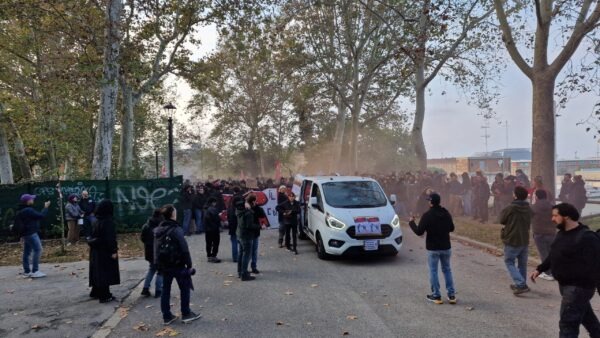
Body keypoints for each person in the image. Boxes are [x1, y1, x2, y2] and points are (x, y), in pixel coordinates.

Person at [530, 203, 600, 338]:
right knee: (587, 317)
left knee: (568, 324)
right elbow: (554, 254)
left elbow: (596, 265)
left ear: (566, 217)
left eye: (555, 216)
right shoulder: (562, 234)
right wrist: (540, 269)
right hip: (566, 285)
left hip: (578, 288)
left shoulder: (587, 237)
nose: (552, 219)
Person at [154, 204, 201, 325]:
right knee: (184, 288)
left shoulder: (159, 230)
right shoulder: (176, 229)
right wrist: (189, 264)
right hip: (177, 264)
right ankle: (186, 313)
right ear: (173, 214)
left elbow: (156, 248)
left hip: (164, 264)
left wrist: (157, 264)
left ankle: (167, 316)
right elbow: (184, 248)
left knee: (165, 290)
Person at [408, 193, 456, 305]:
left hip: (433, 248)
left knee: (433, 271)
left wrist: (411, 222)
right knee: (447, 270)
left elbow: (419, 231)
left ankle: (436, 295)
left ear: (430, 202)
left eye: (428, 200)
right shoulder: (446, 213)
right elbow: (452, 228)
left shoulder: (427, 215)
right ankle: (451, 295)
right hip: (446, 247)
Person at [498, 186, 533, 295]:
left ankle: (520, 283)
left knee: (509, 261)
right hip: (524, 239)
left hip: (512, 238)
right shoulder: (529, 208)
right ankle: (522, 283)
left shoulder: (511, 208)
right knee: (522, 263)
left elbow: (501, 220)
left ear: (515, 195)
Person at [88, 199, 120, 303]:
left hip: (96, 250)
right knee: (106, 273)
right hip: (105, 250)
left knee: (97, 271)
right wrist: (114, 251)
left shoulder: (96, 220)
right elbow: (110, 238)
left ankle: (96, 291)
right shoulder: (108, 221)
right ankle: (105, 295)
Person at [17, 194, 51, 278]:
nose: (33, 200)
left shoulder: (21, 210)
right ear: (28, 201)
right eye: (32, 199)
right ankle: (35, 271)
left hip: (25, 234)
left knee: (27, 252)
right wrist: (46, 207)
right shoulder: (29, 210)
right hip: (31, 233)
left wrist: (21, 235)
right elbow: (41, 216)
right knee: (38, 249)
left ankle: (27, 271)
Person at [531, 190, 556, 281]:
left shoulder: (534, 207)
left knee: (543, 253)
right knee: (551, 252)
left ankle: (547, 273)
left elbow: (530, 218)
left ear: (537, 197)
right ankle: (553, 271)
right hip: (551, 233)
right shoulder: (553, 206)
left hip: (539, 233)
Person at [140, 208, 164, 298]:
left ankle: (145, 288)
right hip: (159, 252)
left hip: (149, 251)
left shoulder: (146, 225)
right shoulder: (161, 226)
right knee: (161, 271)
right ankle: (158, 290)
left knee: (152, 269)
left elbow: (142, 238)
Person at [236, 194, 259, 281]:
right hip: (246, 236)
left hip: (240, 234)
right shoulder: (248, 213)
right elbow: (249, 225)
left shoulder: (239, 210)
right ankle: (244, 274)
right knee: (246, 255)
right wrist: (259, 226)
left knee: (241, 254)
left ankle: (240, 272)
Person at [227, 187, 243, 262]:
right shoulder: (241, 207)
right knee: (241, 241)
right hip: (240, 226)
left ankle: (235, 257)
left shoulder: (230, 208)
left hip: (232, 226)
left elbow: (228, 216)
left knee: (234, 241)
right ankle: (241, 256)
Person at [204, 197, 222, 263]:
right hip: (214, 229)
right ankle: (214, 256)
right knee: (215, 243)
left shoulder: (205, 209)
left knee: (208, 243)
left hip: (207, 229)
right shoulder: (213, 209)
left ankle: (209, 256)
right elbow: (216, 219)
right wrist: (219, 216)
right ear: (213, 202)